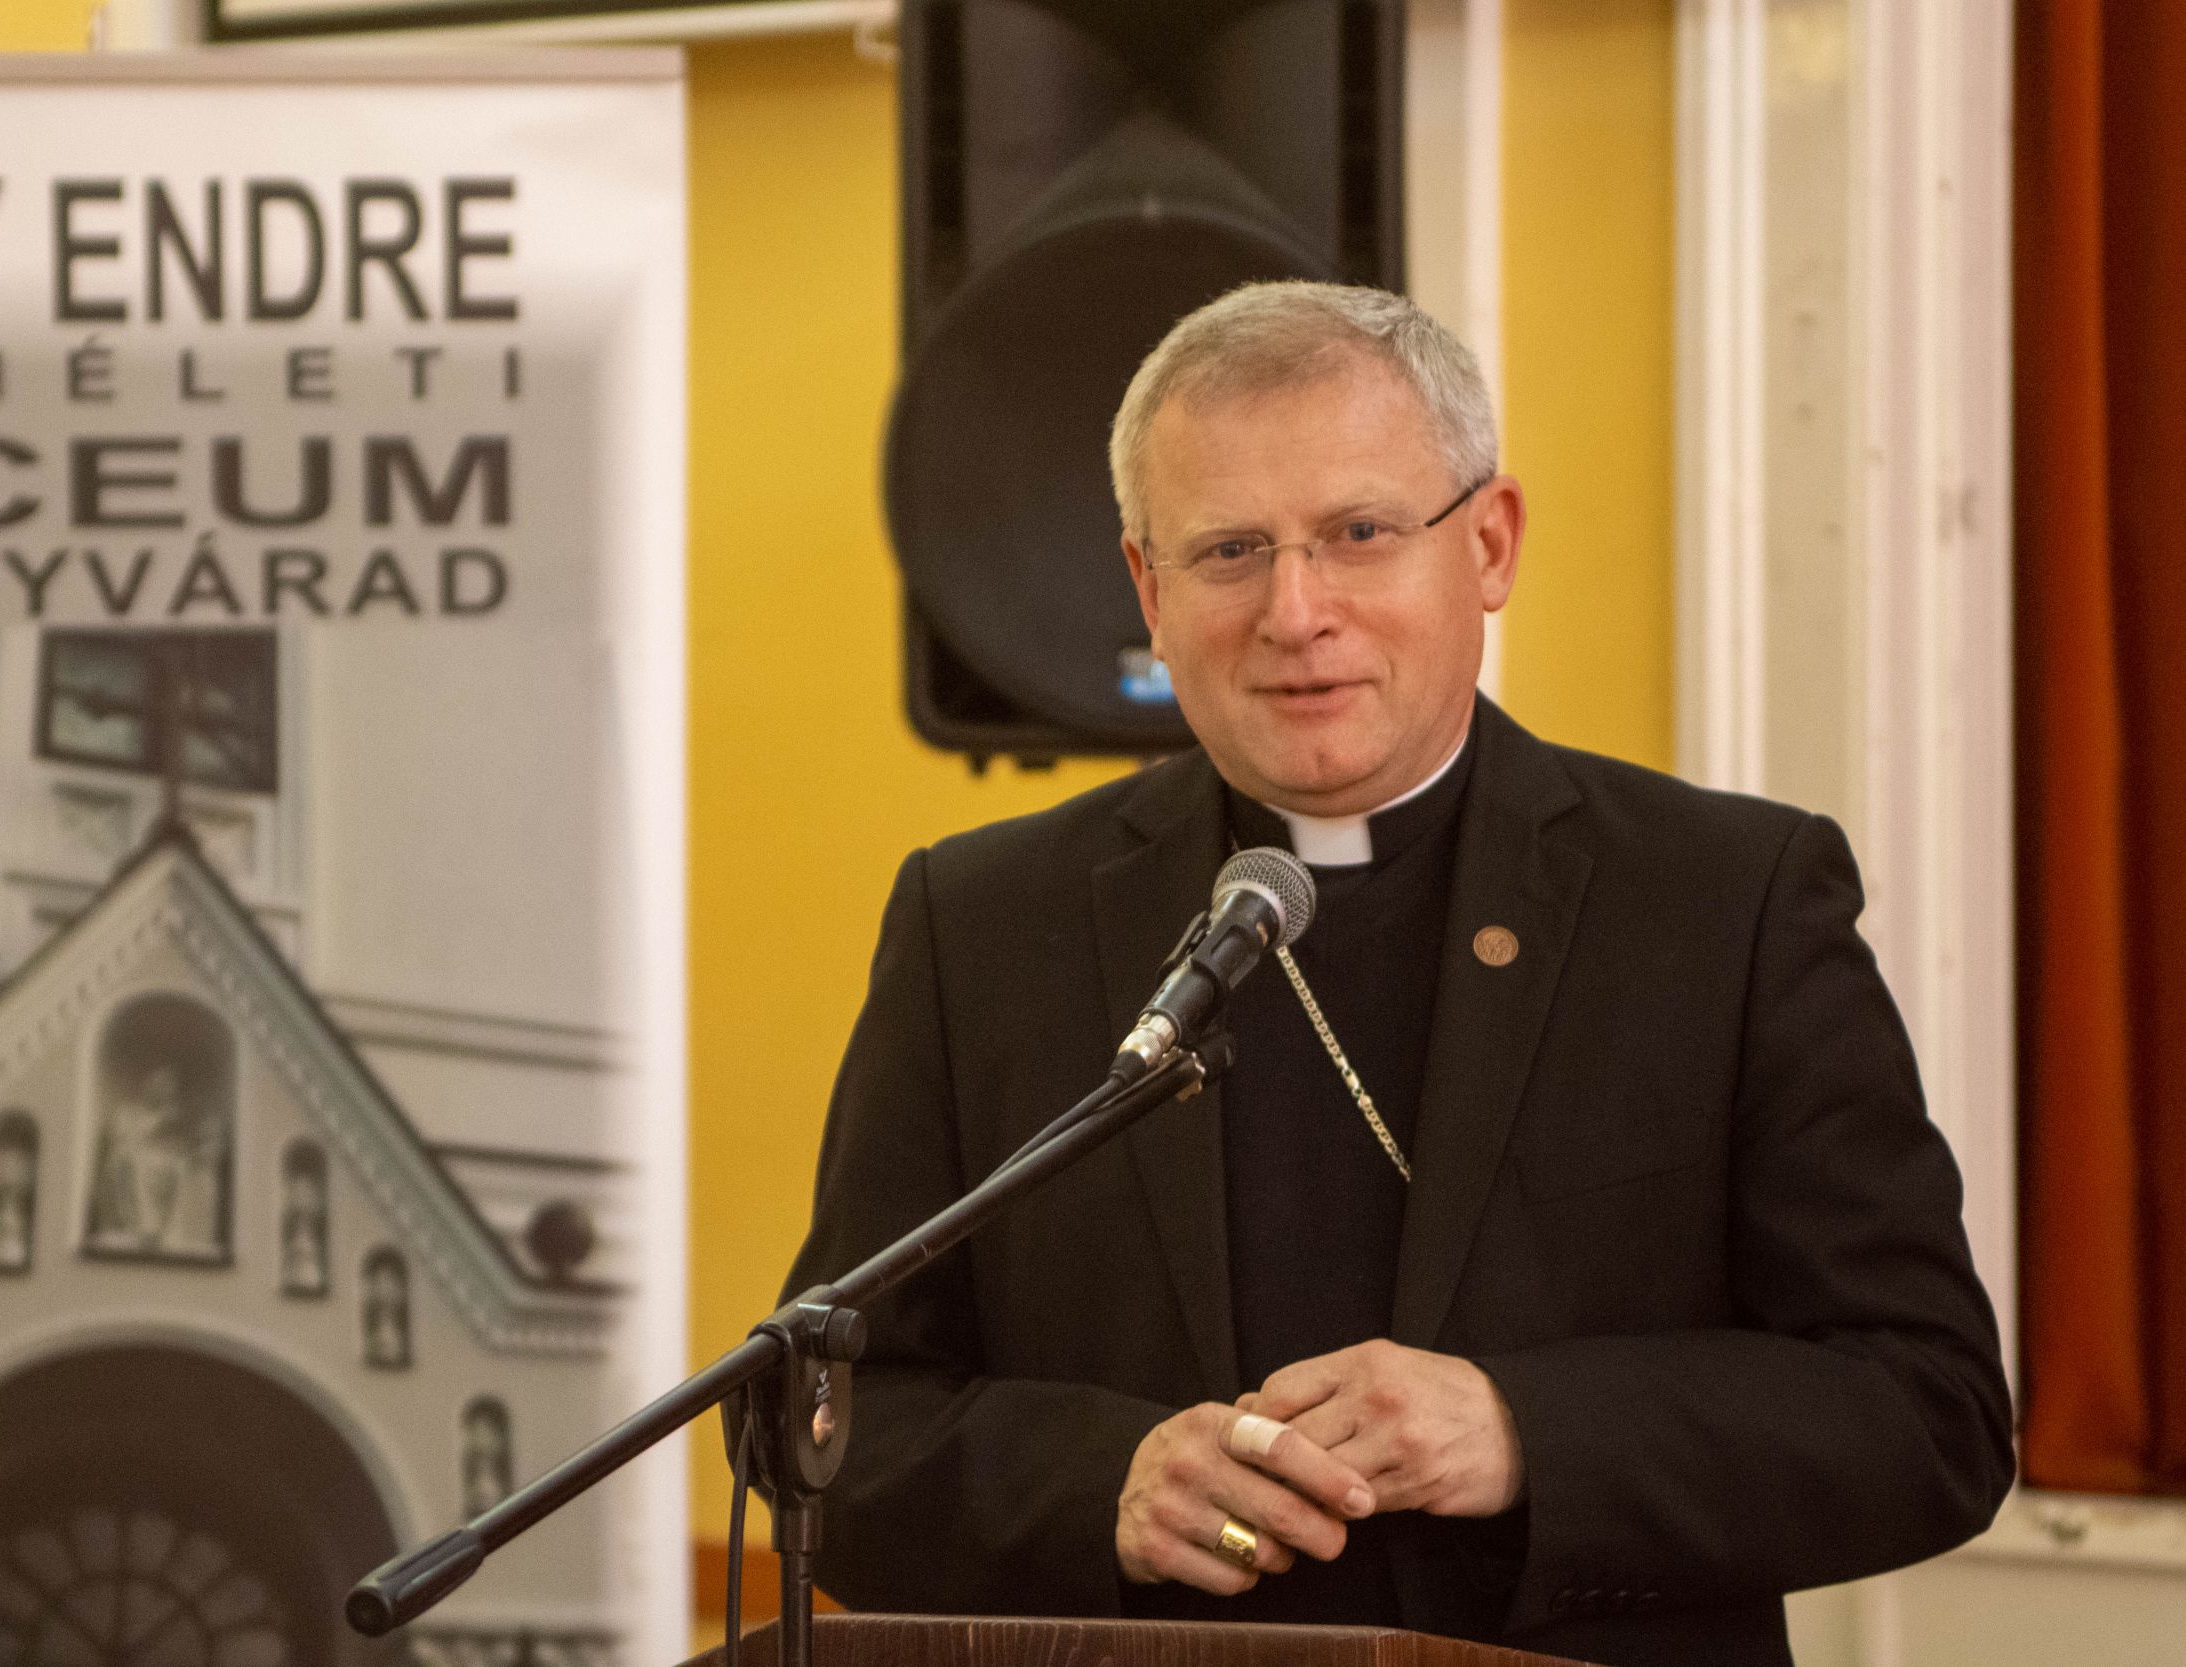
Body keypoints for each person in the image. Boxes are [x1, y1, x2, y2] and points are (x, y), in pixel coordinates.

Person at [776, 282, 2012, 1667]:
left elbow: (1928, 1411)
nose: (1295, 612)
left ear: (1489, 544)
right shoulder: (987, 922)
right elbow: (827, 1417)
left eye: (1359, 534)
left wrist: (1524, 1432)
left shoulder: (1725, 901)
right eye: (1230, 552)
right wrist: (1098, 1485)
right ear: (1148, 592)